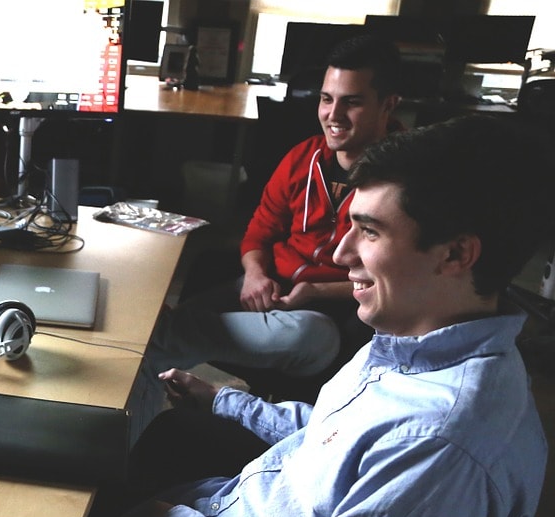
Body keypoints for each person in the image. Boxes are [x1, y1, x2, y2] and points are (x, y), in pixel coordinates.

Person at [0, 113, 552, 517]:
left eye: (369, 231)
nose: (340, 254)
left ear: (456, 255)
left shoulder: (445, 442)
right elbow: (332, 434)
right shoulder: (417, 338)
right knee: (50, 459)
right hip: (228, 510)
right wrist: (222, 400)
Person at [132, 34, 403, 433]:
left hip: (325, 316)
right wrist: (256, 273)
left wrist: (317, 292)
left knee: (311, 333)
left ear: (388, 104)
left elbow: (396, 279)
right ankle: (125, 453)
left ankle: (153, 343)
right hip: (266, 286)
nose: (334, 115)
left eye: (353, 102)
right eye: (327, 99)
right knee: (147, 349)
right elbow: (259, 229)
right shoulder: (303, 157)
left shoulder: (406, 180)